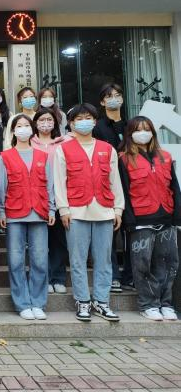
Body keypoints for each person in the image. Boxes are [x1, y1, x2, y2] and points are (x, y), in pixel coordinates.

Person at [54, 103, 124, 322]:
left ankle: (102, 301)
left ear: (95, 121)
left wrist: (118, 209)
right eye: (79, 119)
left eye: (88, 118)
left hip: (104, 210)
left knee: (104, 260)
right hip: (76, 211)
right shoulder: (63, 149)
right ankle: (82, 300)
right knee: (78, 260)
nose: (84, 122)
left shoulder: (107, 148)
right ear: (71, 124)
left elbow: (115, 181)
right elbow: (59, 181)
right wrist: (63, 209)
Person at [118, 116, 181, 321]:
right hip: (140, 219)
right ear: (130, 134)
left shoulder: (165, 156)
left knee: (168, 262)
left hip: (166, 217)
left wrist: (177, 215)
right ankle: (148, 304)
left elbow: (175, 188)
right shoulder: (124, 159)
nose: (143, 133)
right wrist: (128, 220)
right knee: (142, 264)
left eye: (146, 129)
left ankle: (166, 303)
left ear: (153, 132)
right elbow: (123, 191)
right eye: (138, 130)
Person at [0, 115, 56, 320]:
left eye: (26, 125)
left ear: (32, 130)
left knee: (40, 260)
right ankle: (22, 303)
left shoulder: (43, 156)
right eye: (19, 126)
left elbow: (50, 184)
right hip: (14, 213)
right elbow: (1, 186)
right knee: (16, 261)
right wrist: (1, 211)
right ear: (13, 131)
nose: (23, 129)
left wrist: (52, 209)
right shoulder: (5, 157)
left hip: (39, 212)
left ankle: (38, 302)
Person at [93, 83, 129, 292]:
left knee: (130, 232)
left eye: (117, 95)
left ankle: (130, 275)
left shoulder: (131, 125)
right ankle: (113, 275)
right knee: (109, 234)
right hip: (107, 184)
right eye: (109, 96)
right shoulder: (98, 127)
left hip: (132, 184)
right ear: (102, 101)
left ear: (122, 99)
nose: (113, 99)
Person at [32, 108, 70, 294]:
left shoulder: (64, 143)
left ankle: (58, 277)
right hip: (37, 197)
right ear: (35, 123)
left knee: (58, 241)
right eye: (42, 119)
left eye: (49, 119)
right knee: (39, 242)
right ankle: (44, 277)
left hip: (60, 195)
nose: (45, 123)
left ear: (55, 122)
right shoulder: (29, 142)